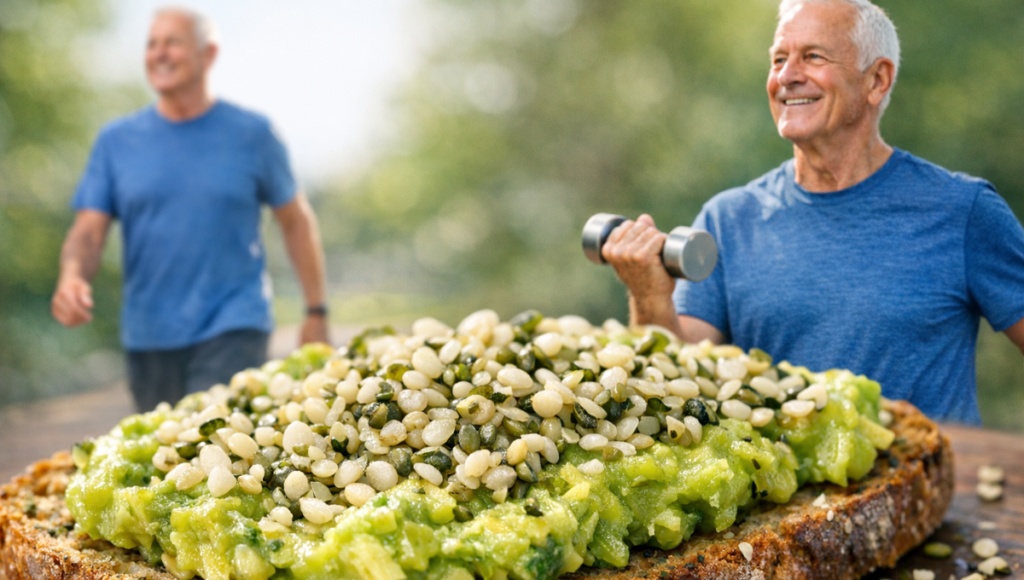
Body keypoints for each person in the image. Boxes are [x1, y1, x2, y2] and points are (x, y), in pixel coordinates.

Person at [601, 0, 1024, 424]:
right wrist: (650, 295)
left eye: (813, 57)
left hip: (924, 484)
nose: (786, 76)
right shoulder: (728, 221)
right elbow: (676, 388)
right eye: (779, 59)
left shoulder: (962, 211)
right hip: (788, 489)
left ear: (877, 80)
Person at [50, 8, 330, 412]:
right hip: (149, 334)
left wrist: (315, 310)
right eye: (152, 43)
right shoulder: (117, 141)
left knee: (213, 444)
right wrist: (72, 277)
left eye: (173, 42)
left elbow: (296, 222)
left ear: (208, 55)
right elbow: (89, 231)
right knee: (161, 457)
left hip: (234, 323)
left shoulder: (252, 134)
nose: (159, 53)